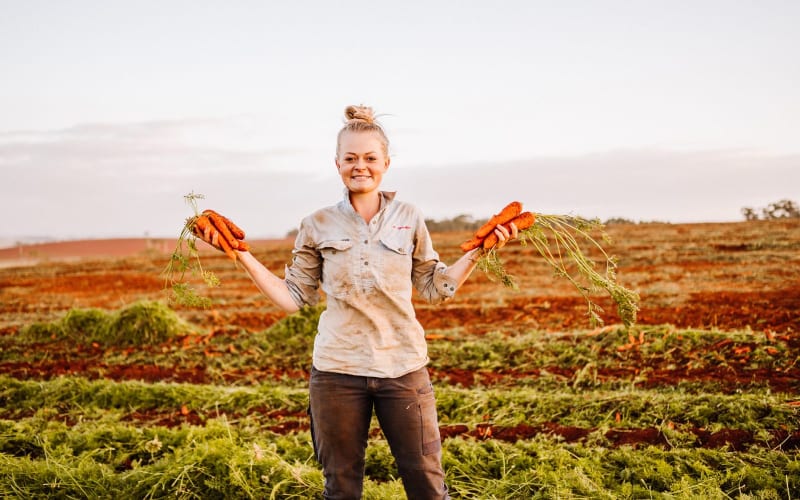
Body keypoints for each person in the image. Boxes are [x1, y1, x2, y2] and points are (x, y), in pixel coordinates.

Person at [197, 105, 518, 499]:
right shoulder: (316, 224)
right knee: (342, 487)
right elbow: (294, 297)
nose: (359, 166)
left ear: (386, 162)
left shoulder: (409, 217)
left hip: (403, 366)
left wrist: (480, 250)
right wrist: (240, 254)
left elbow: (435, 288)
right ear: (337, 164)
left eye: (369, 158)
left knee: (427, 482)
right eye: (350, 158)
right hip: (336, 370)